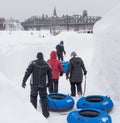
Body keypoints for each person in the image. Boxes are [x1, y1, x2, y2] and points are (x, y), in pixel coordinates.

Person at [22, 52, 52, 118]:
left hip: (34, 85)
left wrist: (24, 81)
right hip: (43, 85)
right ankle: (46, 114)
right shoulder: (47, 64)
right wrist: (49, 83)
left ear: (37, 57)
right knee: (44, 98)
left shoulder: (33, 63)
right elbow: (50, 75)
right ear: (42, 57)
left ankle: (33, 114)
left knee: (33, 97)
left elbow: (27, 73)